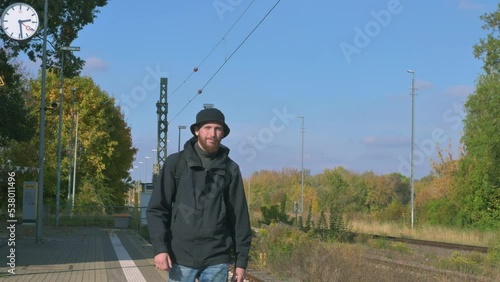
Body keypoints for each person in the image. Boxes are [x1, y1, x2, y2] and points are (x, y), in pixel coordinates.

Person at [147, 108, 252, 282]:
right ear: (197, 131)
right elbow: (157, 209)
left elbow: (239, 217)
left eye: (218, 129)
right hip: (181, 258)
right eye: (207, 128)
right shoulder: (176, 164)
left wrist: (241, 262)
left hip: (217, 258)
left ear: (223, 133)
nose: (213, 133)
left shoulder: (230, 169)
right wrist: (160, 248)